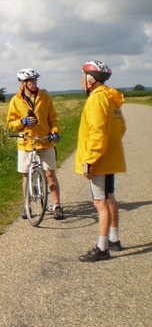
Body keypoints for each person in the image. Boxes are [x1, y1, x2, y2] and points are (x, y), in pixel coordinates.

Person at [75, 60, 127, 262]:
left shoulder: (96, 100)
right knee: (110, 198)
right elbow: (121, 128)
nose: (81, 81)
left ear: (90, 80)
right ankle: (114, 238)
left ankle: (102, 247)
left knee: (100, 202)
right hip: (110, 158)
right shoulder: (111, 98)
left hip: (99, 161)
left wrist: (89, 159)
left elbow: (97, 133)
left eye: (82, 77)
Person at [7, 68, 64, 220]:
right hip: (26, 143)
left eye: (35, 80)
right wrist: (22, 122)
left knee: (50, 173)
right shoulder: (15, 100)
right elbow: (11, 122)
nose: (34, 83)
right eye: (31, 81)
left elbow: (53, 118)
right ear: (23, 83)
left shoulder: (45, 97)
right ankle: (27, 206)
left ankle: (57, 205)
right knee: (26, 175)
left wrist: (55, 132)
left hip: (45, 140)